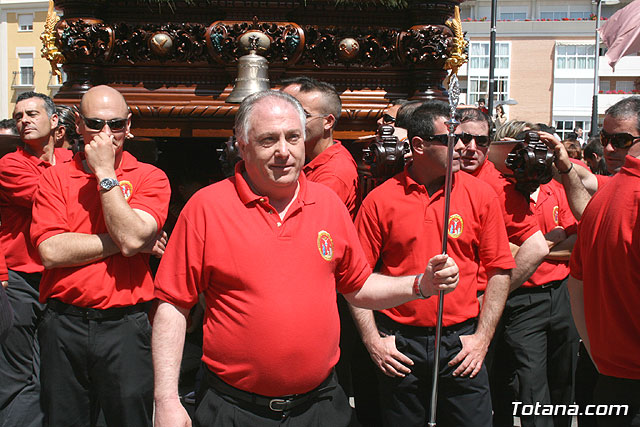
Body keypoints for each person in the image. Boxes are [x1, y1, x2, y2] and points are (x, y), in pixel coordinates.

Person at [151, 90, 460, 427]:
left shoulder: (328, 204)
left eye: (292, 137)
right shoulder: (206, 208)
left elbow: (357, 286)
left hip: (321, 407)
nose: (283, 151)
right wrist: (166, 400)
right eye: (269, 140)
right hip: (235, 410)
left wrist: (420, 284)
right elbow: (173, 306)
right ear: (243, 146)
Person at [349, 100, 515, 427]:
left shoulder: (481, 195)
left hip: (461, 343)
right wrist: (374, 341)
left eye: (466, 138)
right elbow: (356, 280)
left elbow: (500, 269)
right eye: (449, 139)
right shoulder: (380, 200)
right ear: (419, 145)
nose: (463, 147)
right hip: (400, 345)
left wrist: (482, 339)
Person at [30, 85, 170, 427]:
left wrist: (106, 174)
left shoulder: (150, 177)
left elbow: (134, 236)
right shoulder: (55, 178)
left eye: (116, 124)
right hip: (64, 324)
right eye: (95, 123)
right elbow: (50, 251)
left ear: (129, 124)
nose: (106, 134)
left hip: (125, 325)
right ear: (78, 124)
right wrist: (125, 243)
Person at [0, 91, 72, 427]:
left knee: (54, 369)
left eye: (32, 114)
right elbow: (52, 203)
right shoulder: (11, 164)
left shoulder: (74, 162)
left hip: (60, 279)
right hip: (21, 280)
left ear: (54, 121)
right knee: (19, 374)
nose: (24, 121)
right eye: (19, 116)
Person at [568, 95, 640, 427]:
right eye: (605, 139)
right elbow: (577, 281)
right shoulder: (607, 197)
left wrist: (597, 354)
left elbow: (576, 284)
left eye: (622, 140)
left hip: (609, 374)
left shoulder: (601, 197)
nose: (610, 149)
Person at [280, 77, 359, 219]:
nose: (293, 122)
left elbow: (308, 222)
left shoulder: (333, 174)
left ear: (328, 122)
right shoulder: (310, 156)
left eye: (304, 115)